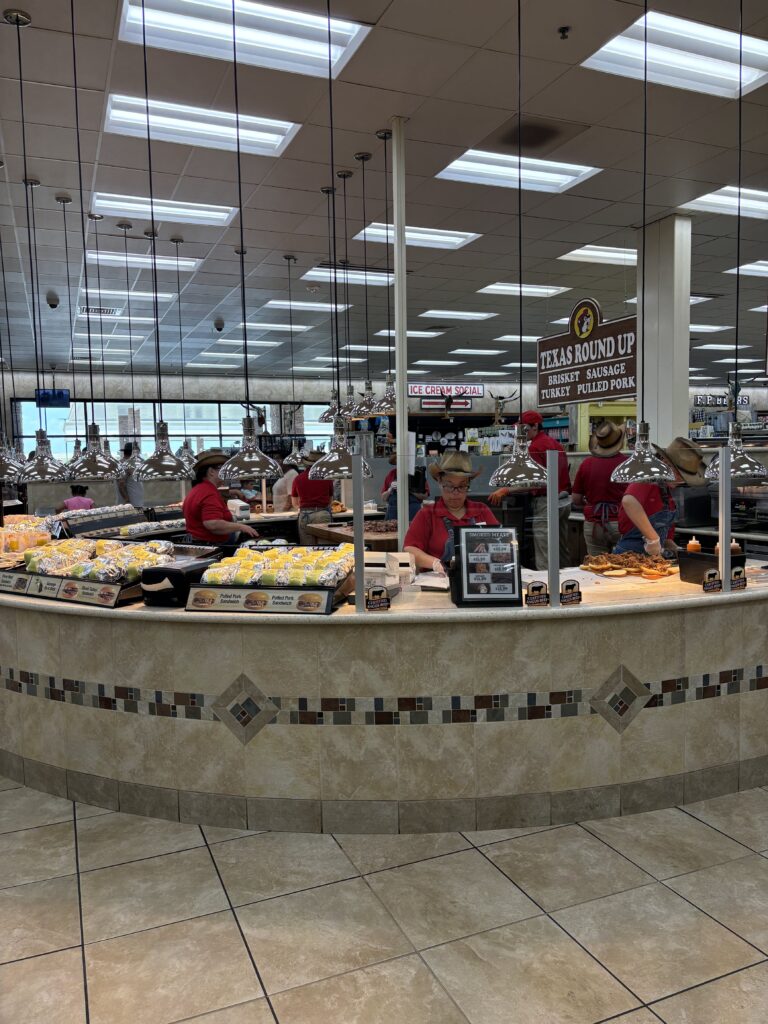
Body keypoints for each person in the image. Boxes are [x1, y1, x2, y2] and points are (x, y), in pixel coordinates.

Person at [489, 410, 571, 569]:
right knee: (560, 549)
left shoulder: (535, 447)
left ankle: (547, 587)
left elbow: (536, 482)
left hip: (546, 502)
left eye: (523, 429)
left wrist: (506, 490)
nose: (520, 432)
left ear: (535, 426)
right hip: (563, 501)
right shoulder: (555, 444)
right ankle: (567, 584)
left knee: (545, 550)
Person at [404, 451, 499, 573]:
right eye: (449, 486)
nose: (455, 492)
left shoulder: (481, 511)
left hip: (477, 582)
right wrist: (435, 563)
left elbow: (500, 544)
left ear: (469, 484)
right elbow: (409, 549)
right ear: (439, 482)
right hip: (438, 583)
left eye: (462, 486)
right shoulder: (427, 514)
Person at [614, 437, 706, 556]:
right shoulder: (650, 477)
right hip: (629, 554)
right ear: (665, 463)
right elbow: (629, 501)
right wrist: (653, 539)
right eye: (679, 473)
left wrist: (676, 550)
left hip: (652, 558)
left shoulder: (668, 494)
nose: (681, 479)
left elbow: (666, 539)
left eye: (684, 476)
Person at [571, 421, 628, 556]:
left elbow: (576, 499)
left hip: (594, 524)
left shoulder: (586, 464)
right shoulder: (626, 463)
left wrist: (592, 504)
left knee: (596, 567)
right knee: (623, 566)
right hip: (621, 523)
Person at [182, 450, 259, 545]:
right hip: (210, 546)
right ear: (211, 472)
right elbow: (213, 524)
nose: (225, 472)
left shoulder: (200, 489)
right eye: (222, 468)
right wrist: (241, 527)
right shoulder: (209, 492)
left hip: (199, 543)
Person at [291, 450, 334, 545]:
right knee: (325, 548)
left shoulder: (298, 478)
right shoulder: (327, 478)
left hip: (304, 516)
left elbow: (294, 503)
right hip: (322, 514)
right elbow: (330, 501)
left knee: (308, 549)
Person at [381, 452, 429, 522]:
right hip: (394, 510)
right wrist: (390, 489)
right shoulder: (391, 474)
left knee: (413, 530)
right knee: (392, 531)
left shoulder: (418, 474)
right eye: (398, 461)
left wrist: (408, 489)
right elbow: (383, 498)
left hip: (412, 509)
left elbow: (425, 496)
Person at [115, 443, 144, 508]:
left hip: (135, 503)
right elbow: (121, 484)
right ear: (133, 453)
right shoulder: (124, 465)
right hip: (130, 504)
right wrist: (127, 500)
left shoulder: (132, 464)